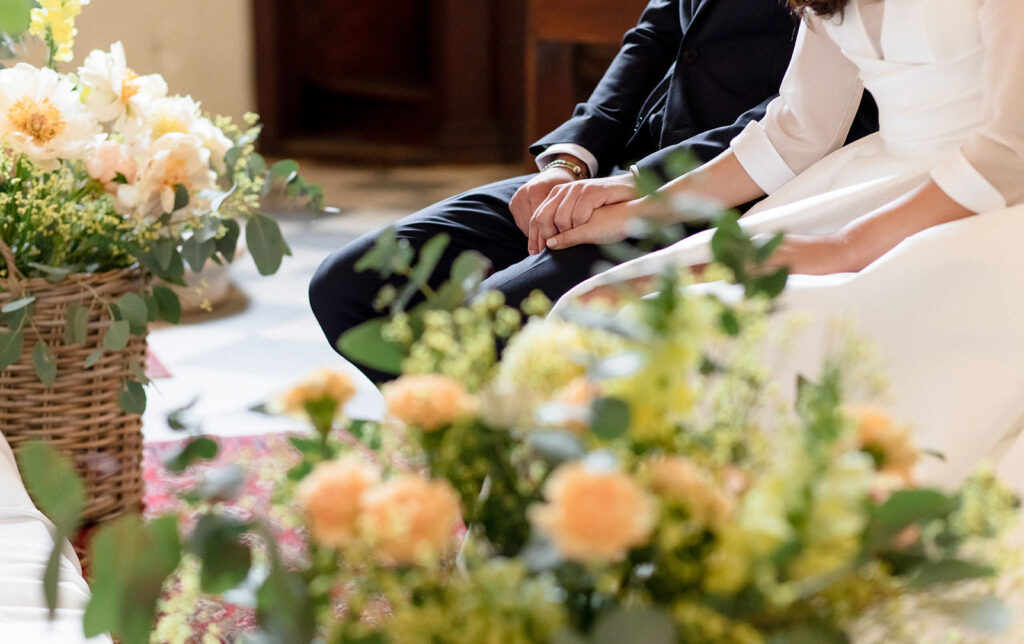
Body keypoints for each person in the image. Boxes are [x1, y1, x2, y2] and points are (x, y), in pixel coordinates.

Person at [550, 0, 1024, 490]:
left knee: (716, 333)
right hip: (870, 185)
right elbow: (799, 128)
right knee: (594, 307)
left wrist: (842, 249)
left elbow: (1010, 153)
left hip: (986, 208)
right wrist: (642, 205)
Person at [308, 0, 877, 382]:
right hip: (622, 160)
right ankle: (470, 467)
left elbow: (809, 125)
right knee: (347, 285)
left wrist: (640, 186)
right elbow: (655, 37)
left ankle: (529, 497)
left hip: (738, 190)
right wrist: (568, 162)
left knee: (487, 322)